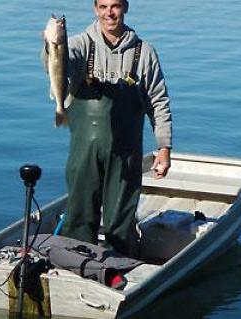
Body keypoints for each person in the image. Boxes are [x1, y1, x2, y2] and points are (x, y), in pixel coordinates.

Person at [42, 0, 172, 257]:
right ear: (95, 9)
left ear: (125, 7)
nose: (109, 13)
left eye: (115, 6)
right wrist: (50, 47)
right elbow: (57, 66)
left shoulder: (143, 52)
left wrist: (164, 147)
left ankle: (121, 263)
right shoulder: (79, 45)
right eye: (103, 6)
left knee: (121, 216)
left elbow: (158, 101)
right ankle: (75, 260)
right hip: (84, 153)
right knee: (80, 211)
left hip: (126, 154)